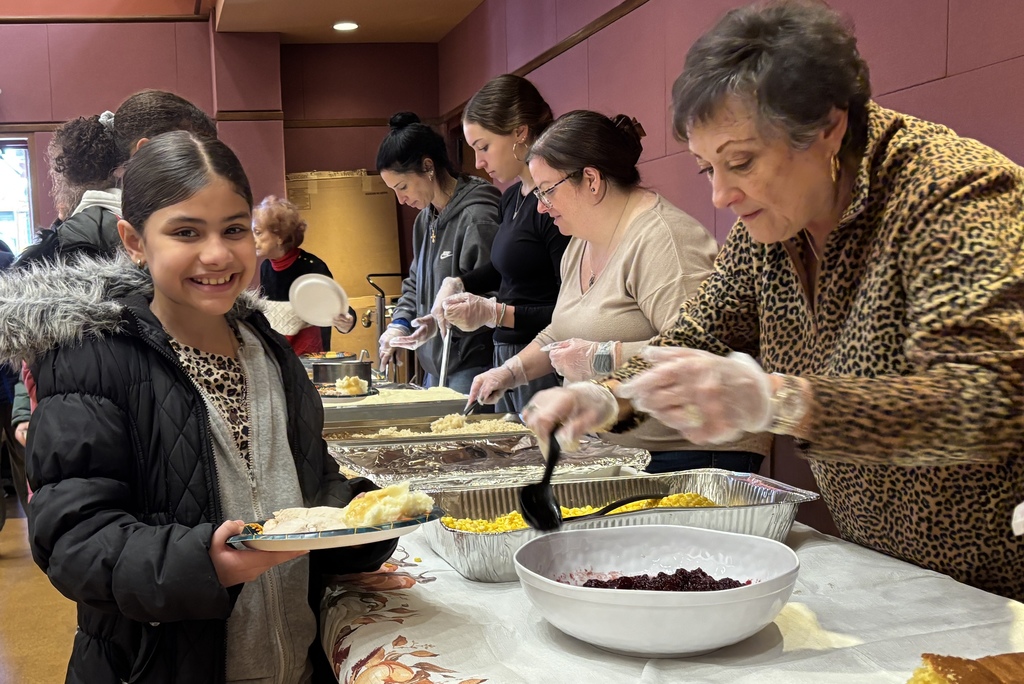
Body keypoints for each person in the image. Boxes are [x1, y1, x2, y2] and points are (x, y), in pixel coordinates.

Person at [521, 0, 1024, 600]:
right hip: (878, 562)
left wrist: (780, 400)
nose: (721, 194)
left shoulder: (949, 195)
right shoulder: (767, 232)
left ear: (828, 127)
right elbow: (694, 339)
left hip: (992, 580)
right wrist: (608, 397)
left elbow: (988, 403)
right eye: (706, 167)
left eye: (741, 162)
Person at [0, 130, 396, 682]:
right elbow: (73, 541)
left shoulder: (268, 349)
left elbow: (307, 482)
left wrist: (359, 521)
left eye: (234, 229)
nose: (217, 254)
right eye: (186, 231)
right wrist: (200, 562)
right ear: (134, 240)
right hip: (157, 666)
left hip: (294, 663)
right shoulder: (92, 360)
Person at [470, 109, 770, 473]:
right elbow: (560, 331)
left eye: (547, 191)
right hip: (618, 447)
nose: (541, 206)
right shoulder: (580, 241)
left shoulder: (664, 240)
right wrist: (511, 372)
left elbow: (700, 350)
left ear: (592, 180)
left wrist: (603, 357)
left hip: (691, 455)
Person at [426, 74, 570, 413]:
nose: (478, 163)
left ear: (520, 133)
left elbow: (570, 312)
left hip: (542, 364)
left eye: (484, 147)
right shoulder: (511, 200)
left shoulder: (555, 207)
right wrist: (460, 282)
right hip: (505, 356)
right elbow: (505, 268)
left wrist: (495, 313)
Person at [15, 89, 218, 269]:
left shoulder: (153, 218)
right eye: (192, 153)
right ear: (145, 151)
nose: (208, 165)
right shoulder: (86, 239)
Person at [376, 112, 500, 393]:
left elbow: (495, 296)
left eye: (403, 187)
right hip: (435, 366)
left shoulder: (477, 217)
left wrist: (445, 318)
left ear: (428, 166)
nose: (401, 199)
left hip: (472, 365)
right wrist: (399, 324)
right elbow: (414, 284)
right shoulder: (425, 219)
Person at [252, 195, 356, 355]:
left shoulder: (311, 266)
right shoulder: (266, 266)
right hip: (279, 358)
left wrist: (346, 322)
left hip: (307, 361)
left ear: (279, 237)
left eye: (258, 233)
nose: (253, 240)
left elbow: (340, 310)